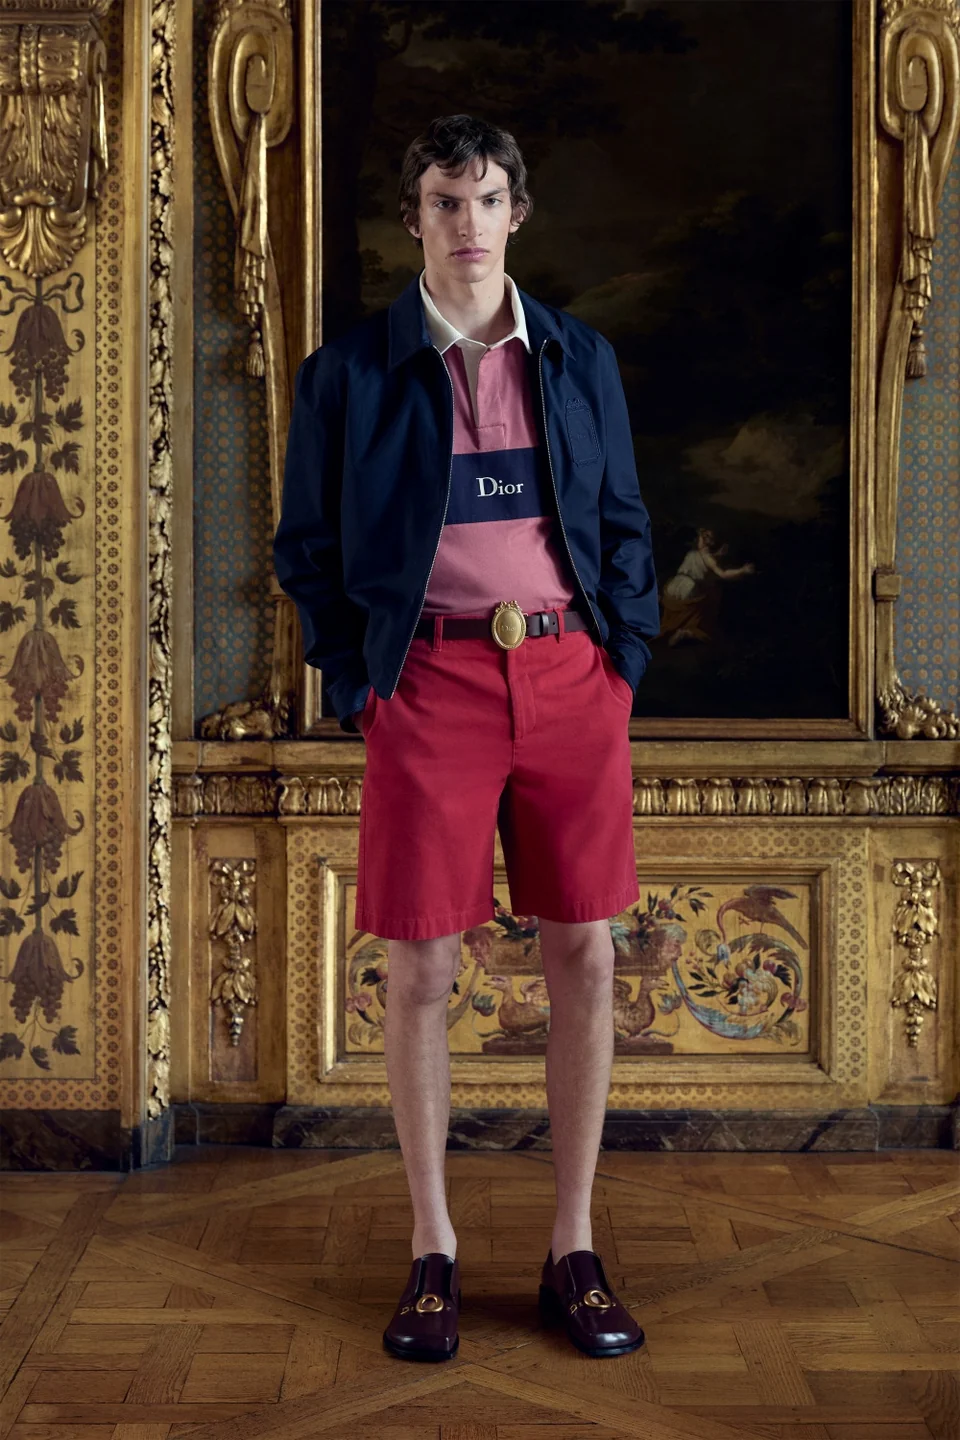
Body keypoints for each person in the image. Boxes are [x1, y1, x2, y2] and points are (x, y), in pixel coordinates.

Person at [273, 114, 658, 1363]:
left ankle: (572, 1251)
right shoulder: (349, 374)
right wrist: (363, 683)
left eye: (488, 199)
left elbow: (624, 522)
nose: (469, 223)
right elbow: (306, 550)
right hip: (426, 684)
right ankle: (431, 1249)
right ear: (415, 220)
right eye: (446, 201)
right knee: (422, 971)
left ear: (517, 214)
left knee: (583, 951)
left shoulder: (580, 358)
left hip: (568, 674)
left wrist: (617, 663)